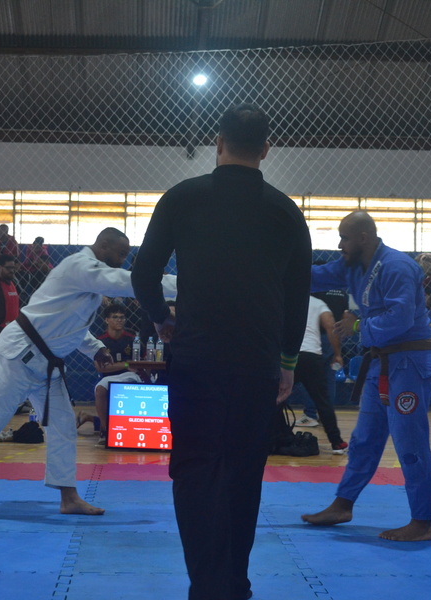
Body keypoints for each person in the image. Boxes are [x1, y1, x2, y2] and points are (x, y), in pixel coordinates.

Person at [132, 104, 311, 600]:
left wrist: (162, 319)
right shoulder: (285, 211)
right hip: (256, 364)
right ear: (267, 149)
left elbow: (143, 274)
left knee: (194, 469)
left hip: (196, 360)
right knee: (243, 473)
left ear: (217, 142)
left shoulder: (182, 197)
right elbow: (297, 297)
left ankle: (207, 586)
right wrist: (288, 363)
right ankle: (235, 584)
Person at [0, 227, 177, 522]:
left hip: (47, 365)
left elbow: (70, 326)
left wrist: (97, 348)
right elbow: (125, 282)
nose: (123, 260)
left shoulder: (88, 281)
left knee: (63, 427)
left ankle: (68, 497)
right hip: (17, 356)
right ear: (103, 246)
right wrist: (185, 283)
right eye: (121, 254)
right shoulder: (79, 267)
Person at [302, 210, 431, 543]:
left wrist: (358, 326)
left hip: (408, 364)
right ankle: (343, 504)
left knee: (409, 443)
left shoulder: (397, 267)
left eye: (344, 238)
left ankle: (423, 522)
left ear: (363, 237)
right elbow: (313, 276)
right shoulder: (352, 266)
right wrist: (273, 267)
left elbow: (401, 318)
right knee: (364, 438)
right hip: (380, 363)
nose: (340, 245)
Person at [293, 294, 349, 453]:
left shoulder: (288, 300)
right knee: (323, 402)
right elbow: (331, 326)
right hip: (312, 356)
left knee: (275, 398)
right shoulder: (318, 304)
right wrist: (337, 354)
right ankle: (336, 442)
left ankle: (266, 437)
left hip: (290, 355)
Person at [86, 302, 145, 446]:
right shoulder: (100, 341)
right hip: (109, 377)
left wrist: (132, 367)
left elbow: (143, 362)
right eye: (115, 317)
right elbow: (101, 368)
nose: (119, 320)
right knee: (100, 389)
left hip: (132, 376)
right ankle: (104, 429)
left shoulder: (133, 339)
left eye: (122, 317)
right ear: (107, 320)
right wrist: (126, 364)